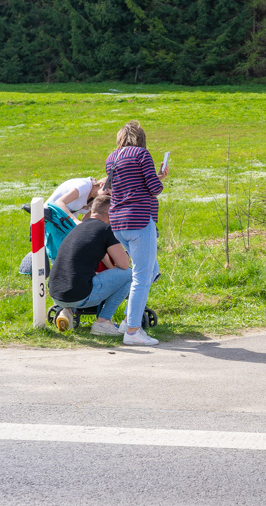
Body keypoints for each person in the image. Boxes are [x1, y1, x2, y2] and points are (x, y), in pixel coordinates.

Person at [106, 120, 168, 346]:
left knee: (150, 270)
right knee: (142, 276)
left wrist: (154, 177)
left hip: (118, 222)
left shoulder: (111, 158)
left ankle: (127, 321)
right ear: (141, 139)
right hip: (140, 219)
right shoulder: (142, 155)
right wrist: (161, 178)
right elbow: (154, 189)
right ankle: (132, 331)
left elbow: (121, 188)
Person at [49, 195, 133, 335]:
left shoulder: (77, 228)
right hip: (79, 296)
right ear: (110, 213)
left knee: (83, 276)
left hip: (55, 292)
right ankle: (103, 323)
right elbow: (124, 265)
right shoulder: (106, 230)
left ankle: (67, 311)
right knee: (129, 274)